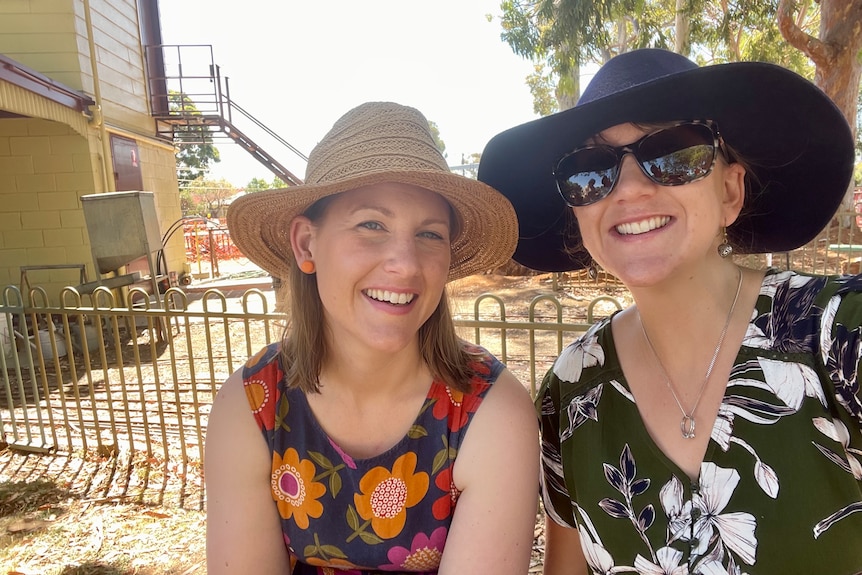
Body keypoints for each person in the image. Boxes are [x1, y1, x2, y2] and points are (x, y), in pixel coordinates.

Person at [478, 49, 862, 574]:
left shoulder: (839, 333)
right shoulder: (570, 392)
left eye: (674, 153)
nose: (631, 188)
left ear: (730, 190)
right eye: (590, 168)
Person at [205, 101, 540, 575]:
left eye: (429, 234)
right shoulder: (254, 404)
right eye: (371, 225)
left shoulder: (489, 409)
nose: (405, 263)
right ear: (306, 245)